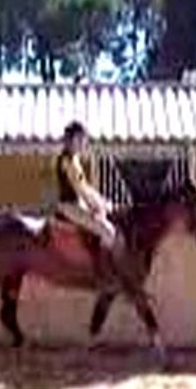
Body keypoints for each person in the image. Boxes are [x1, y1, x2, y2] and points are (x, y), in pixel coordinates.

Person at [53, 120, 132, 284]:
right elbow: (80, 189)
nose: (83, 142)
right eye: (80, 139)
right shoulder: (68, 160)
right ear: (72, 139)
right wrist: (99, 205)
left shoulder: (74, 159)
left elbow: (85, 186)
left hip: (77, 203)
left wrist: (104, 203)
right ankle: (103, 273)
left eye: (84, 139)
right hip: (69, 206)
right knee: (108, 232)